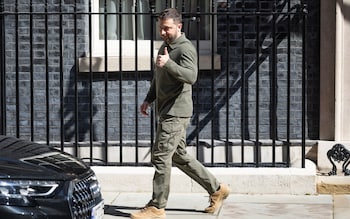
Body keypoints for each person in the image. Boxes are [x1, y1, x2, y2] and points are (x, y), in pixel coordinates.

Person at [131, 8, 230, 219]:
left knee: (160, 156)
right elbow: (159, 77)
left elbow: (191, 76)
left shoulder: (185, 49)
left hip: (176, 112)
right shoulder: (165, 47)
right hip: (165, 109)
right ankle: (217, 189)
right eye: (161, 28)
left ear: (179, 26)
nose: (163, 32)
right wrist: (149, 99)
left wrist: (169, 64)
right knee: (178, 156)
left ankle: (157, 206)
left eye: (167, 28)